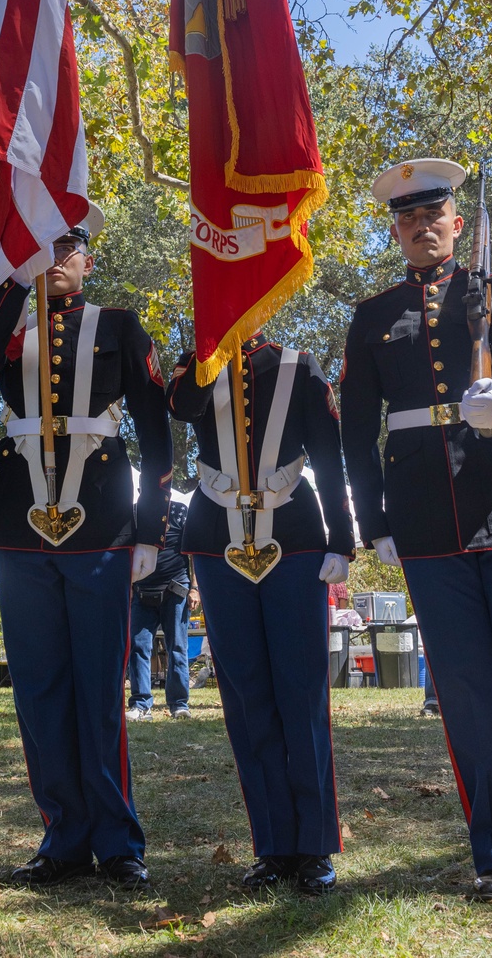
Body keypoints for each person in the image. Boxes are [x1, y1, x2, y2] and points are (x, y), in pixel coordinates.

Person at [339, 159, 492, 902]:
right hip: (424, 523)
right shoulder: (373, 316)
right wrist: (375, 518)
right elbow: (357, 432)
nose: (423, 228)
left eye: (434, 215)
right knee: (468, 696)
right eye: (408, 219)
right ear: (396, 230)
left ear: (456, 223)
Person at [0, 209, 173, 890]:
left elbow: (154, 428)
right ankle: (62, 837)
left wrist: (149, 529)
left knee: (97, 688)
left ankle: (117, 841)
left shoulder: (118, 325)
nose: (58, 256)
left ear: (89, 259)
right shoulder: (13, 321)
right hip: (23, 526)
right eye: (46, 246)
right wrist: (17, 285)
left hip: (104, 523)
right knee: (40, 688)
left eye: (70, 247)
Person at [167, 330, 355, 896]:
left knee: (301, 692)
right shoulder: (196, 362)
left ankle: (315, 845)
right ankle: (273, 844)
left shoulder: (300, 361)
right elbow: (181, 409)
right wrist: (208, 354)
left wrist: (341, 540)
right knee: (246, 696)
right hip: (216, 539)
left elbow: (328, 449)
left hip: (295, 536)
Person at [127, 486, 197, 722]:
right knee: (138, 647)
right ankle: (140, 704)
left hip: (174, 588)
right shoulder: (133, 514)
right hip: (141, 591)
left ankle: (179, 703)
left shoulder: (180, 512)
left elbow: (192, 552)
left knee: (177, 647)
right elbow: (125, 552)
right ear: (140, 491)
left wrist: (195, 588)